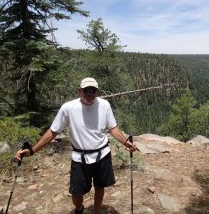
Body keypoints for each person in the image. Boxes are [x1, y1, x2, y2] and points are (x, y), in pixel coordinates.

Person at [14, 77, 137, 214]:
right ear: (80, 91)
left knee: (99, 186)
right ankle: (79, 208)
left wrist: (126, 142)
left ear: (97, 91)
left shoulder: (104, 105)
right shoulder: (68, 108)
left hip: (102, 154)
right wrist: (32, 150)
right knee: (76, 193)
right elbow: (53, 131)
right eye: (86, 91)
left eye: (93, 91)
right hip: (80, 157)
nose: (90, 94)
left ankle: (96, 212)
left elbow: (113, 128)